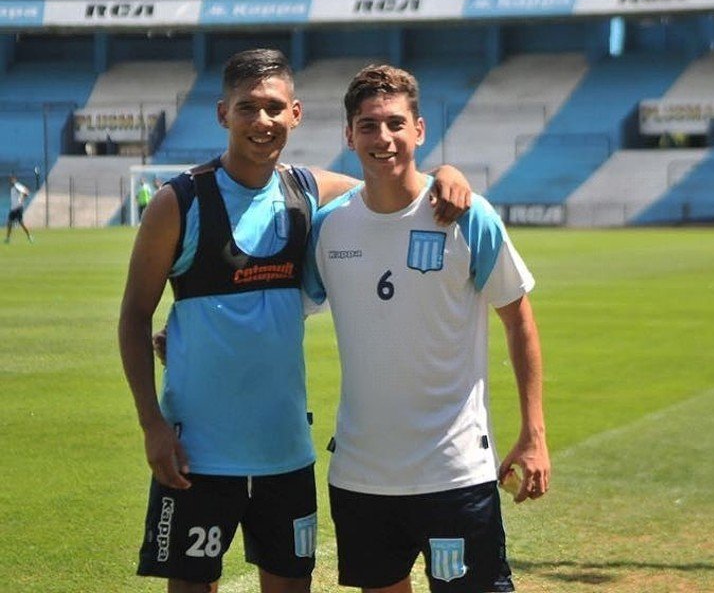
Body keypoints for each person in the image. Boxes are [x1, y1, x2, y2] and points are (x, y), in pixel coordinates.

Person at [118, 49, 472, 593]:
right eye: (247, 108)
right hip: (196, 454)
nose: (262, 121)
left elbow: (389, 183)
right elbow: (135, 315)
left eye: (274, 108)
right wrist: (151, 425)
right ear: (223, 114)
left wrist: (446, 172)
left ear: (296, 114)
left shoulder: (306, 191)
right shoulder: (179, 203)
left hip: (286, 454)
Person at [303, 64, 551, 593]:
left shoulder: (468, 216)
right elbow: (279, 314)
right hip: (361, 474)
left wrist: (534, 433)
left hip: (455, 472)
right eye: (368, 125)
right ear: (349, 135)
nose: (383, 137)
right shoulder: (328, 228)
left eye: (395, 123)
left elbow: (520, 322)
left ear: (419, 130)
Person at [5, 175, 33, 243]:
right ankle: (8, 239)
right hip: (13, 209)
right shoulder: (12, 188)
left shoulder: (17, 186)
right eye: (10, 180)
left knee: (21, 223)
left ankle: (29, 236)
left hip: (18, 208)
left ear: (15, 180)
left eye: (12, 180)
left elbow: (26, 192)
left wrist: (22, 198)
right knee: (9, 223)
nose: (11, 182)